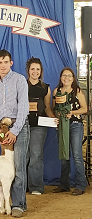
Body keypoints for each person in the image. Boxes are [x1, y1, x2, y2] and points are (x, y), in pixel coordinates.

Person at [0, 49, 30, 218]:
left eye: (6, 62)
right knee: (6, 167)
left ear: (11, 63)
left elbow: (24, 107)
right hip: (2, 128)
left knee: (18, 165)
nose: (3, 65)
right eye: (0, 62)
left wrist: (15, 131)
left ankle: (18, 204)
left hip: (19, 127)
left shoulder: (19, 80)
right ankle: (5, 202)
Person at [52, 67, 87, 195]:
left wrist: (71, 112)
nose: (66, 78)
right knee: (64, 155)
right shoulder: (57, 91)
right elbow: (54, 108)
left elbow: (85, 109)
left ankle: (80, 185)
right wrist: (58, 115)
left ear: (73, 79)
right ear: (61, 78)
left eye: (69, 76)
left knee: (77, 155)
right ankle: (64, 184)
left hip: (75, 125)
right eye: (64, 75)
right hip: (62, 126)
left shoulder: (77, 91)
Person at [26, 57, 57, 195]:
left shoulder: (45, 88)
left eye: (38, 69)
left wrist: (54, 119)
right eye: (33, 69)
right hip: (23, 124)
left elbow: (47, 107)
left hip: (39, 125)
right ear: (28, 70)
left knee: (36, 155)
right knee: (23, 156)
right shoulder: (21, 85)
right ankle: (22, 185)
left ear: (41, 71)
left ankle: (36, 187)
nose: (35, 71)